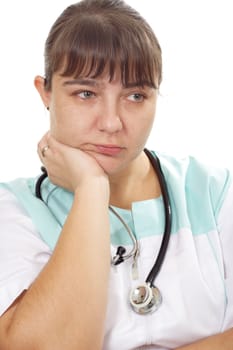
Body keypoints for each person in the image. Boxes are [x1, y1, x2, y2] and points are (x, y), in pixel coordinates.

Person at [0, 0, 232, 349]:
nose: (111, 123)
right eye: (86, 93)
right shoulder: (14, 211)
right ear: (45, 92)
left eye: (136, 95)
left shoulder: (214, 192)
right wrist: (92, 190)